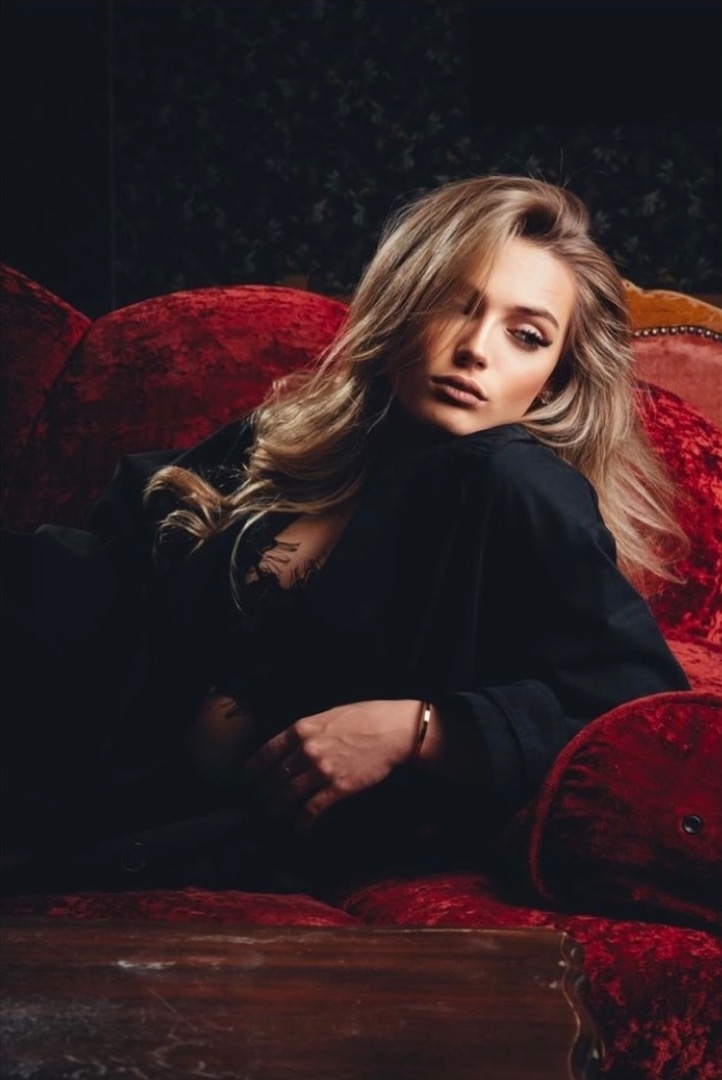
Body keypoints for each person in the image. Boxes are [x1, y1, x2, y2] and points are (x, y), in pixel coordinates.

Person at [1, 174, 690, 893]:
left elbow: (643, 716)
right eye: (454, 305)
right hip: (81, 766)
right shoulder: (292, 441)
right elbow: (123, 551)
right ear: (403, 307)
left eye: (526, 336)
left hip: (209, 839)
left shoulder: (517, 485)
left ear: (551, 379)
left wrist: (420, 730)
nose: (476, 348)